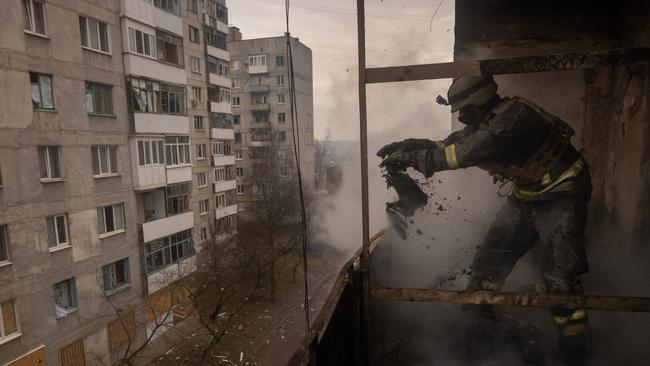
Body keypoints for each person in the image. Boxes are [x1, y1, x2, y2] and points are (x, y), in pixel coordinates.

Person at [377, 75, 592, 363]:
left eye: (464, 110)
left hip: (562, 193)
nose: (462, 117)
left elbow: (462, 154)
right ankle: (482, 322)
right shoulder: (489, 120)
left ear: (480, 101)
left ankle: (574, 350)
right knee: (489, 261)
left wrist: (413, 158)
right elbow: (451, 143)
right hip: (527, 195)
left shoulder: (513, 121)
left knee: (561, 280)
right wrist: (413, 144)